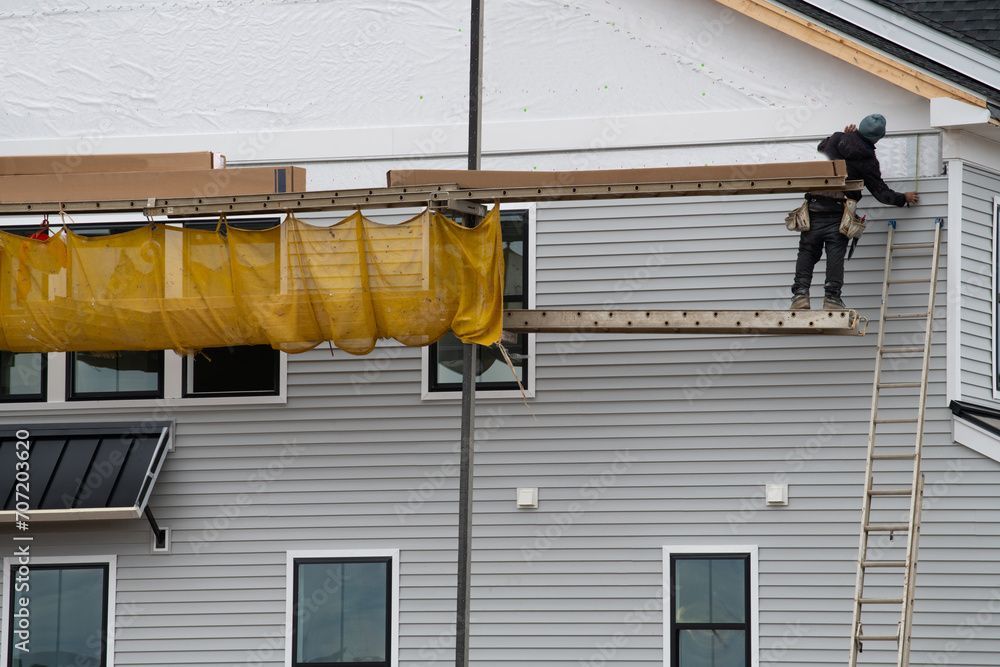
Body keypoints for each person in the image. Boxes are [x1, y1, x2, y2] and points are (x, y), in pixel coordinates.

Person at [790, 114, 919, 310]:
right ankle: (832, 300)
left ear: (858, 127)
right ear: (877, 138)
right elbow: (882, 194)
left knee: (807, 251)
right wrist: (904, 198)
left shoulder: (836, 139)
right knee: (835, 254)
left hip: (813, 209)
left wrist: (845, 135)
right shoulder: (868, 159)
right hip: (839, 214)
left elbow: (820, 147)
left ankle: (800, 296)